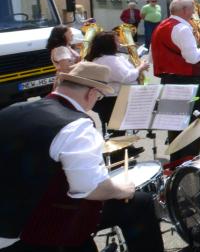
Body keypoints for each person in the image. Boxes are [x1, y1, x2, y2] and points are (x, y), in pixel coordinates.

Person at [0, 62, 164, 251]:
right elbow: (91, 189)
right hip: (31, 231)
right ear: (91, 93)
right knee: (140, 202)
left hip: (8, 216)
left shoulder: (11, 110)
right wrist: (123, 190)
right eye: (99, 96)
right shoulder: (76, 126)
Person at [152, 0, 200, 165]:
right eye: (192, 8)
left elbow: (153, 57)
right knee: (192, 125)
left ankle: (177, 163)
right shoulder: (182, 28)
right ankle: (189, 163)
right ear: (185, 10)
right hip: (187, 82)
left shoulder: (161, 26)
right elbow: (192, 57)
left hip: (167, 81)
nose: (194, 12)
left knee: (175, 124)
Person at [86, 31, 148, 132]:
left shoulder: (101, 58)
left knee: (115, 130)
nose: (119, 44)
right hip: (113, 100)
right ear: (109, 44)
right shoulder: (109, 60)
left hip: (110, 99)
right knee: (117, 131)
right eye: (116, 41)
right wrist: (140, 68)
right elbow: (126, 77)